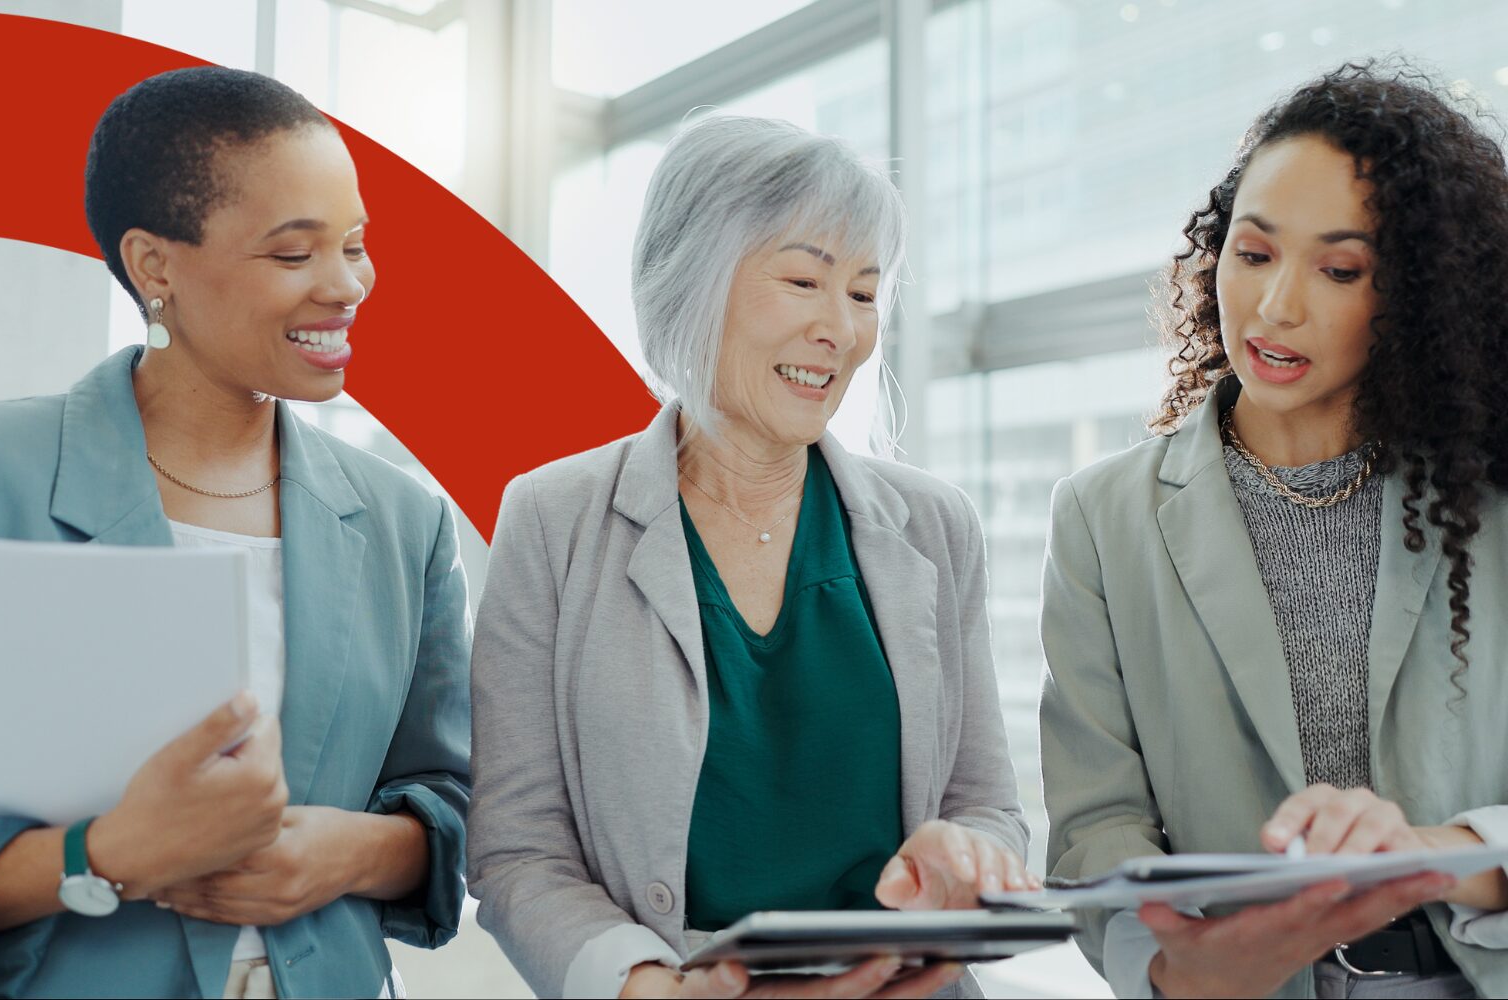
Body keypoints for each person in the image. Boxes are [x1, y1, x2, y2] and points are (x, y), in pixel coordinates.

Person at [0, 66, 470, 998]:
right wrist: (103, 853)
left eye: (355, 244)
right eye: (293, 254)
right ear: (154, 265)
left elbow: (456, 800)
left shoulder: (404, 521)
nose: (347, 285)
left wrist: (351, 853)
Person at [467, 115, 1036, 1000]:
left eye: (863, 293)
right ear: (691, 283)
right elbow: (518, 848)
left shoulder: (935, 524)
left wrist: (970, 860)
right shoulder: (553, 519)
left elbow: (987, 806)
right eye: (804, 280)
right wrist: (645, 985)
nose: (841, 330)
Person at [1039, 61, 1508, 998]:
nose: (1276, 305)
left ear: (1418, 296)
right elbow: (1096, 827)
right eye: (1253, 254)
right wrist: (1173, 965)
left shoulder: (1489, 501)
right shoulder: (1102, 517)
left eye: (1340, 270)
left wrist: (1432, 853)